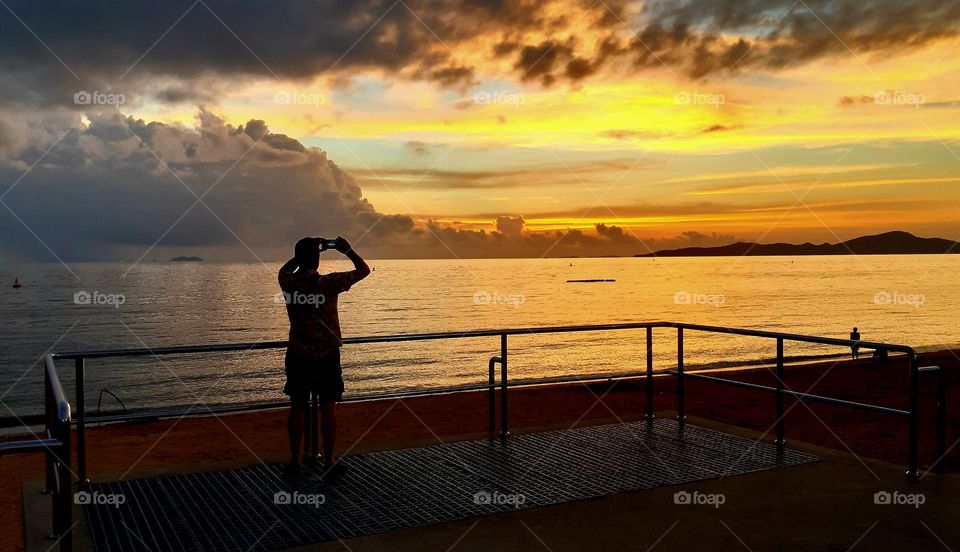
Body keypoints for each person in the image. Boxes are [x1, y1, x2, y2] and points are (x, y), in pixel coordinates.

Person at [278, 236, 370, 474]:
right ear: (317, 258)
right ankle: (329, 460)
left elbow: (284, 268)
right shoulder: (329, 282)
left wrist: (301, 256)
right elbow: (363, 270)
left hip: (298, 352)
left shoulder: (288, 281)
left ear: (298, 258)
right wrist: (346, 249)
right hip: (326, 353)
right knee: (328, 406)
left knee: (297, 405)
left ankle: (296, 460)